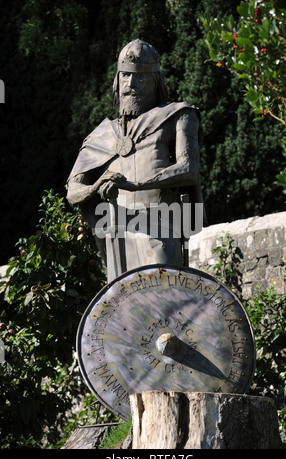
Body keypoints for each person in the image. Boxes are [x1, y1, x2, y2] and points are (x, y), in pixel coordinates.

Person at [66, 39, 204, 282]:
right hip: (116, 233)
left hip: (160, 226)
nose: (131, 84)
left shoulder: (178, 115)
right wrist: (96, 187)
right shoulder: (101, 134)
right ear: (117, 80)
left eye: (140, 77)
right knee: (123, 312)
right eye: (125, 76)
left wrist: (137, 185)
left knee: (162, 305)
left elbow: (189, 169)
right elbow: (73, 191)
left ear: (155, 81)